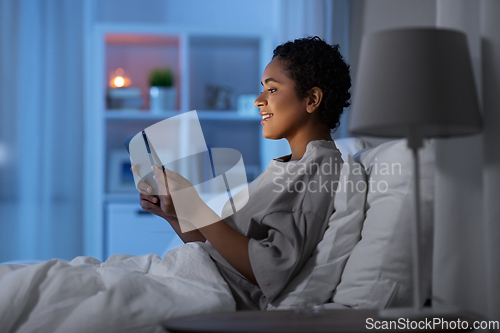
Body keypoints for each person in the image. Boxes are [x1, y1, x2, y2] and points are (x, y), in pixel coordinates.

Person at [136, 36, 351, 310]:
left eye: (272, 90)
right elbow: (219, 250)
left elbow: (270, 270)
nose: (259, 101)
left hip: (208, 293)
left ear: (312, 99)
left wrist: (196, 207)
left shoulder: (321, 172)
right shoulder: (290, 166)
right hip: (194, 277)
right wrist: (175, 215)